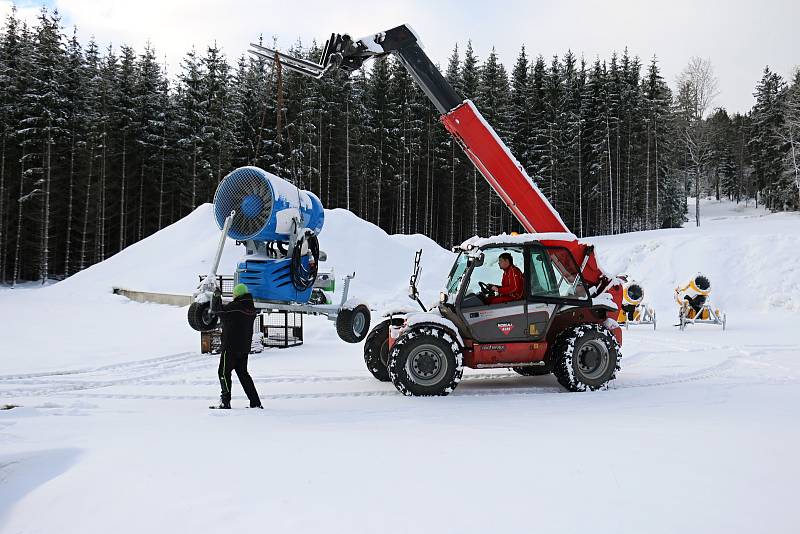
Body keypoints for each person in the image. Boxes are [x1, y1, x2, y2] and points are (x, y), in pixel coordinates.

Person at [210, 283, 263, 409]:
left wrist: (216, 296)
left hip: (230, 347)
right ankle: (255, 402)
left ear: (237, 295)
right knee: (243, 374)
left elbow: (218, 310)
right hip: (243, 348)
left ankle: (225, 401)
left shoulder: (235, 308)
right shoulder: (251, 309)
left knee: (223, 372)